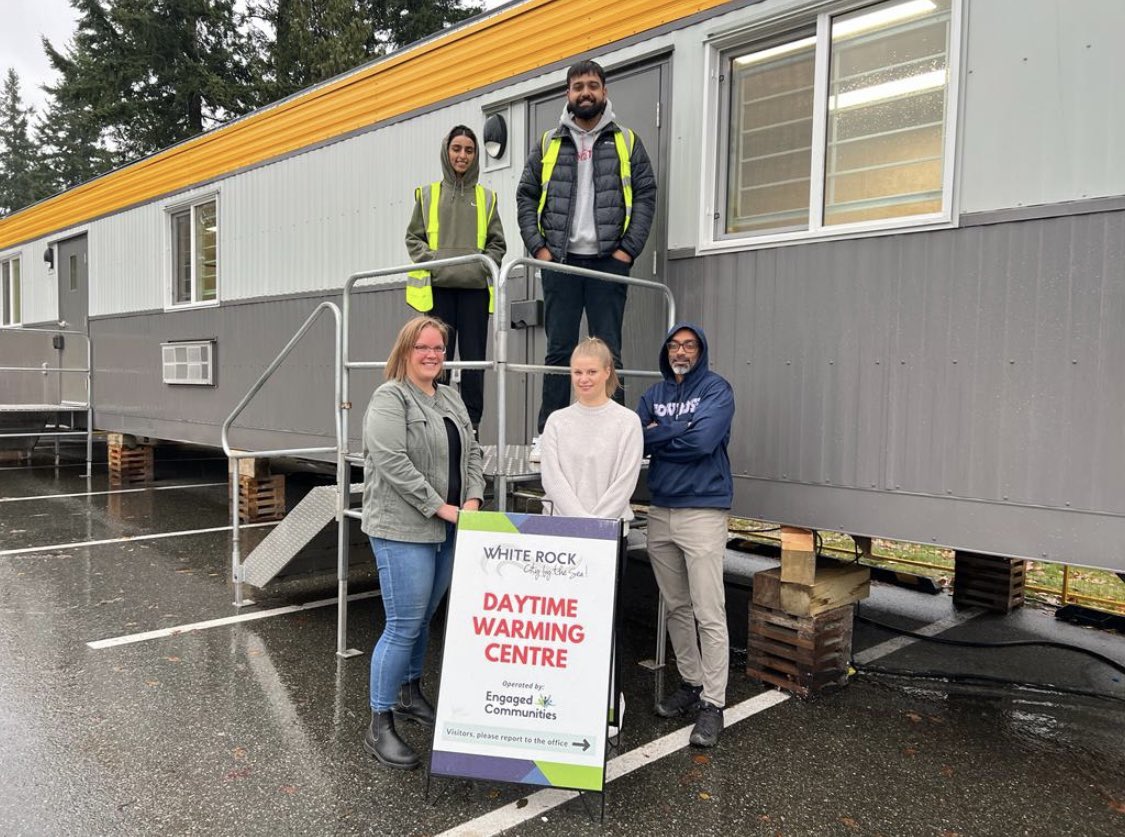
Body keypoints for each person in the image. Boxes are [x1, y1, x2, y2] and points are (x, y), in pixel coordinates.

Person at [360, 315, 485, 770]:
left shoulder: (449, 395)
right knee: (403, 624)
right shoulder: (390, 398)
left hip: (452, 525)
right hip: (402, 529)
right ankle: (379, 722)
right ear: (405, 351)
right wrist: (442, 507)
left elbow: (472, 450)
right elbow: (391, 461)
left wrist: (472, 496)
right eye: (423, 348)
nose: (432, 355)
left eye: (439, 348)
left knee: (424, 617)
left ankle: (411, 693)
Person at [516, 58, 657, 444]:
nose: (585, 93)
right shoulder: (548, 142)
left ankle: (617, 436)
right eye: (578, 87)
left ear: (604, 92)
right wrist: (539, 249)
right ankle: (548, 436)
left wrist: (628, 250)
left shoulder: (626, 141)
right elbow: (526, 196)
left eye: (592, 85)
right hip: (560, 263)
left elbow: (646, 195)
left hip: (608, 264)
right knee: (559, 352)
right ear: (568, 94)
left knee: (609, 351)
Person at [539, 336, 643, 742]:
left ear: (607, 373)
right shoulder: (558, 421)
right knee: (565, 626)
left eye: (591, 372)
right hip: (566, 537)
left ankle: (607, 703)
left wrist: (596, 528)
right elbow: (553, 478)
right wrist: (581, 525)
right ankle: (566, 700)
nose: (583, 379)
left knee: (605, 625)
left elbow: (625, 481)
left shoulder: (626, 422)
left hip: (608, 537)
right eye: (577, 372)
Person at [637, 324, 735, 748]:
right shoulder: (653, 394)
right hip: (660, 510)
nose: (681, 351)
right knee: (676, 607)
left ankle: (713, 704)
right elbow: (637, 436)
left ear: (701, 351)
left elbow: (703, 442)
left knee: (708, 610)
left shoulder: (717, 389)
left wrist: (663, 434)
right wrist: (675, 430)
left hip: (703, 511)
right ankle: (691, 684)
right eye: (674, 345)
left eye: (689, 345)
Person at [406, 125, 506, 431]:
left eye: (469, 150)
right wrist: (438, 263)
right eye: (456, 148)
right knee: (436, 359)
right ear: (446, 151)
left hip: (474, 291)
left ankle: (472, 427)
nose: (462, 155)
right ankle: (438, 423)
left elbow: (498, 245)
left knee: (475, 362)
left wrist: (477, 266)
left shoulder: (487, 198)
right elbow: (413, 239)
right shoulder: (427, 195)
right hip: (439, 291)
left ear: (475, 156)